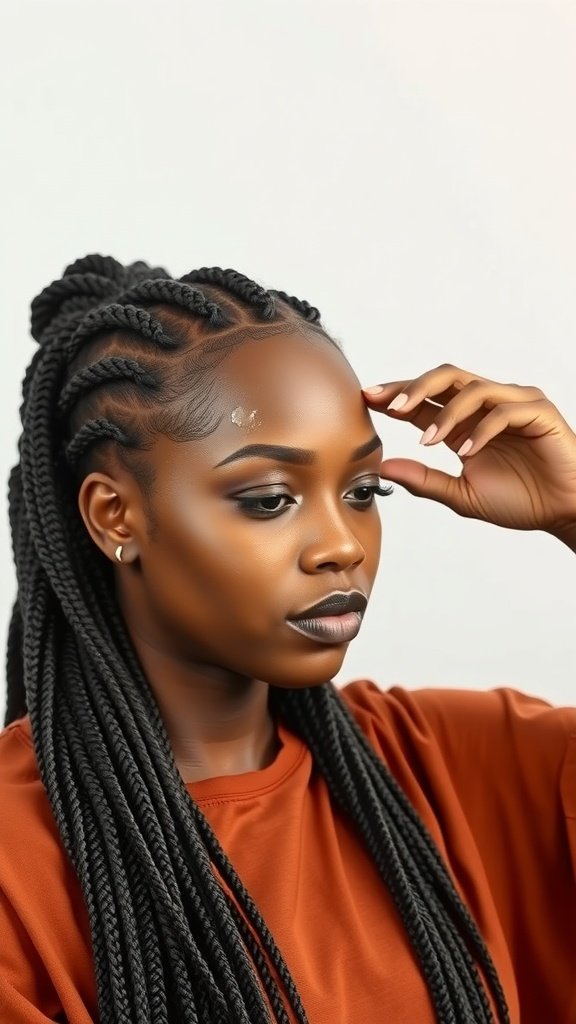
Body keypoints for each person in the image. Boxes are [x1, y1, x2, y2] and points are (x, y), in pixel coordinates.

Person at [0, 254, 575, 1024]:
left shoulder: (447, 765)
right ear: (115, 517)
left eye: (363, 490)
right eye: (271, 499)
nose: (342, 545)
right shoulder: (17, 861)